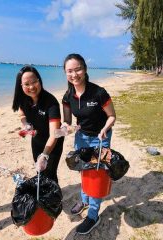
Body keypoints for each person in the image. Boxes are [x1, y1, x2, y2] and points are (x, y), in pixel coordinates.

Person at [62, 54, 116, 235]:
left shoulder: (99, 93)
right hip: (81, 138)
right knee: (84, 171)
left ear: (85, 69)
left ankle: (93, 215)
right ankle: (84, 200)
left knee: (97, 177)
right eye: (70, 71)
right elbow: (68, 122)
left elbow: (112, 116)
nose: (74, 74)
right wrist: (66, 128)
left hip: (101, 138)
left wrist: (104, 130)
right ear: (65, 73)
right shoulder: (68, 96)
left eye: (77, 69)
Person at [12, 65, 64, 183]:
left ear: (39, 80)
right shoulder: (24, 99)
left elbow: (54, 134)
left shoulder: (51, 102)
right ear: (21, 86)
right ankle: (42, 197)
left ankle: (55, 200)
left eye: (34, 82)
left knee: (50, 173)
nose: (31, 87)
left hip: (53, 142)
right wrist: (26, 124)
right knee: (39, 171)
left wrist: (45, 155)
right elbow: (21, 114)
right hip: (36, 140)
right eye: (26, 84)